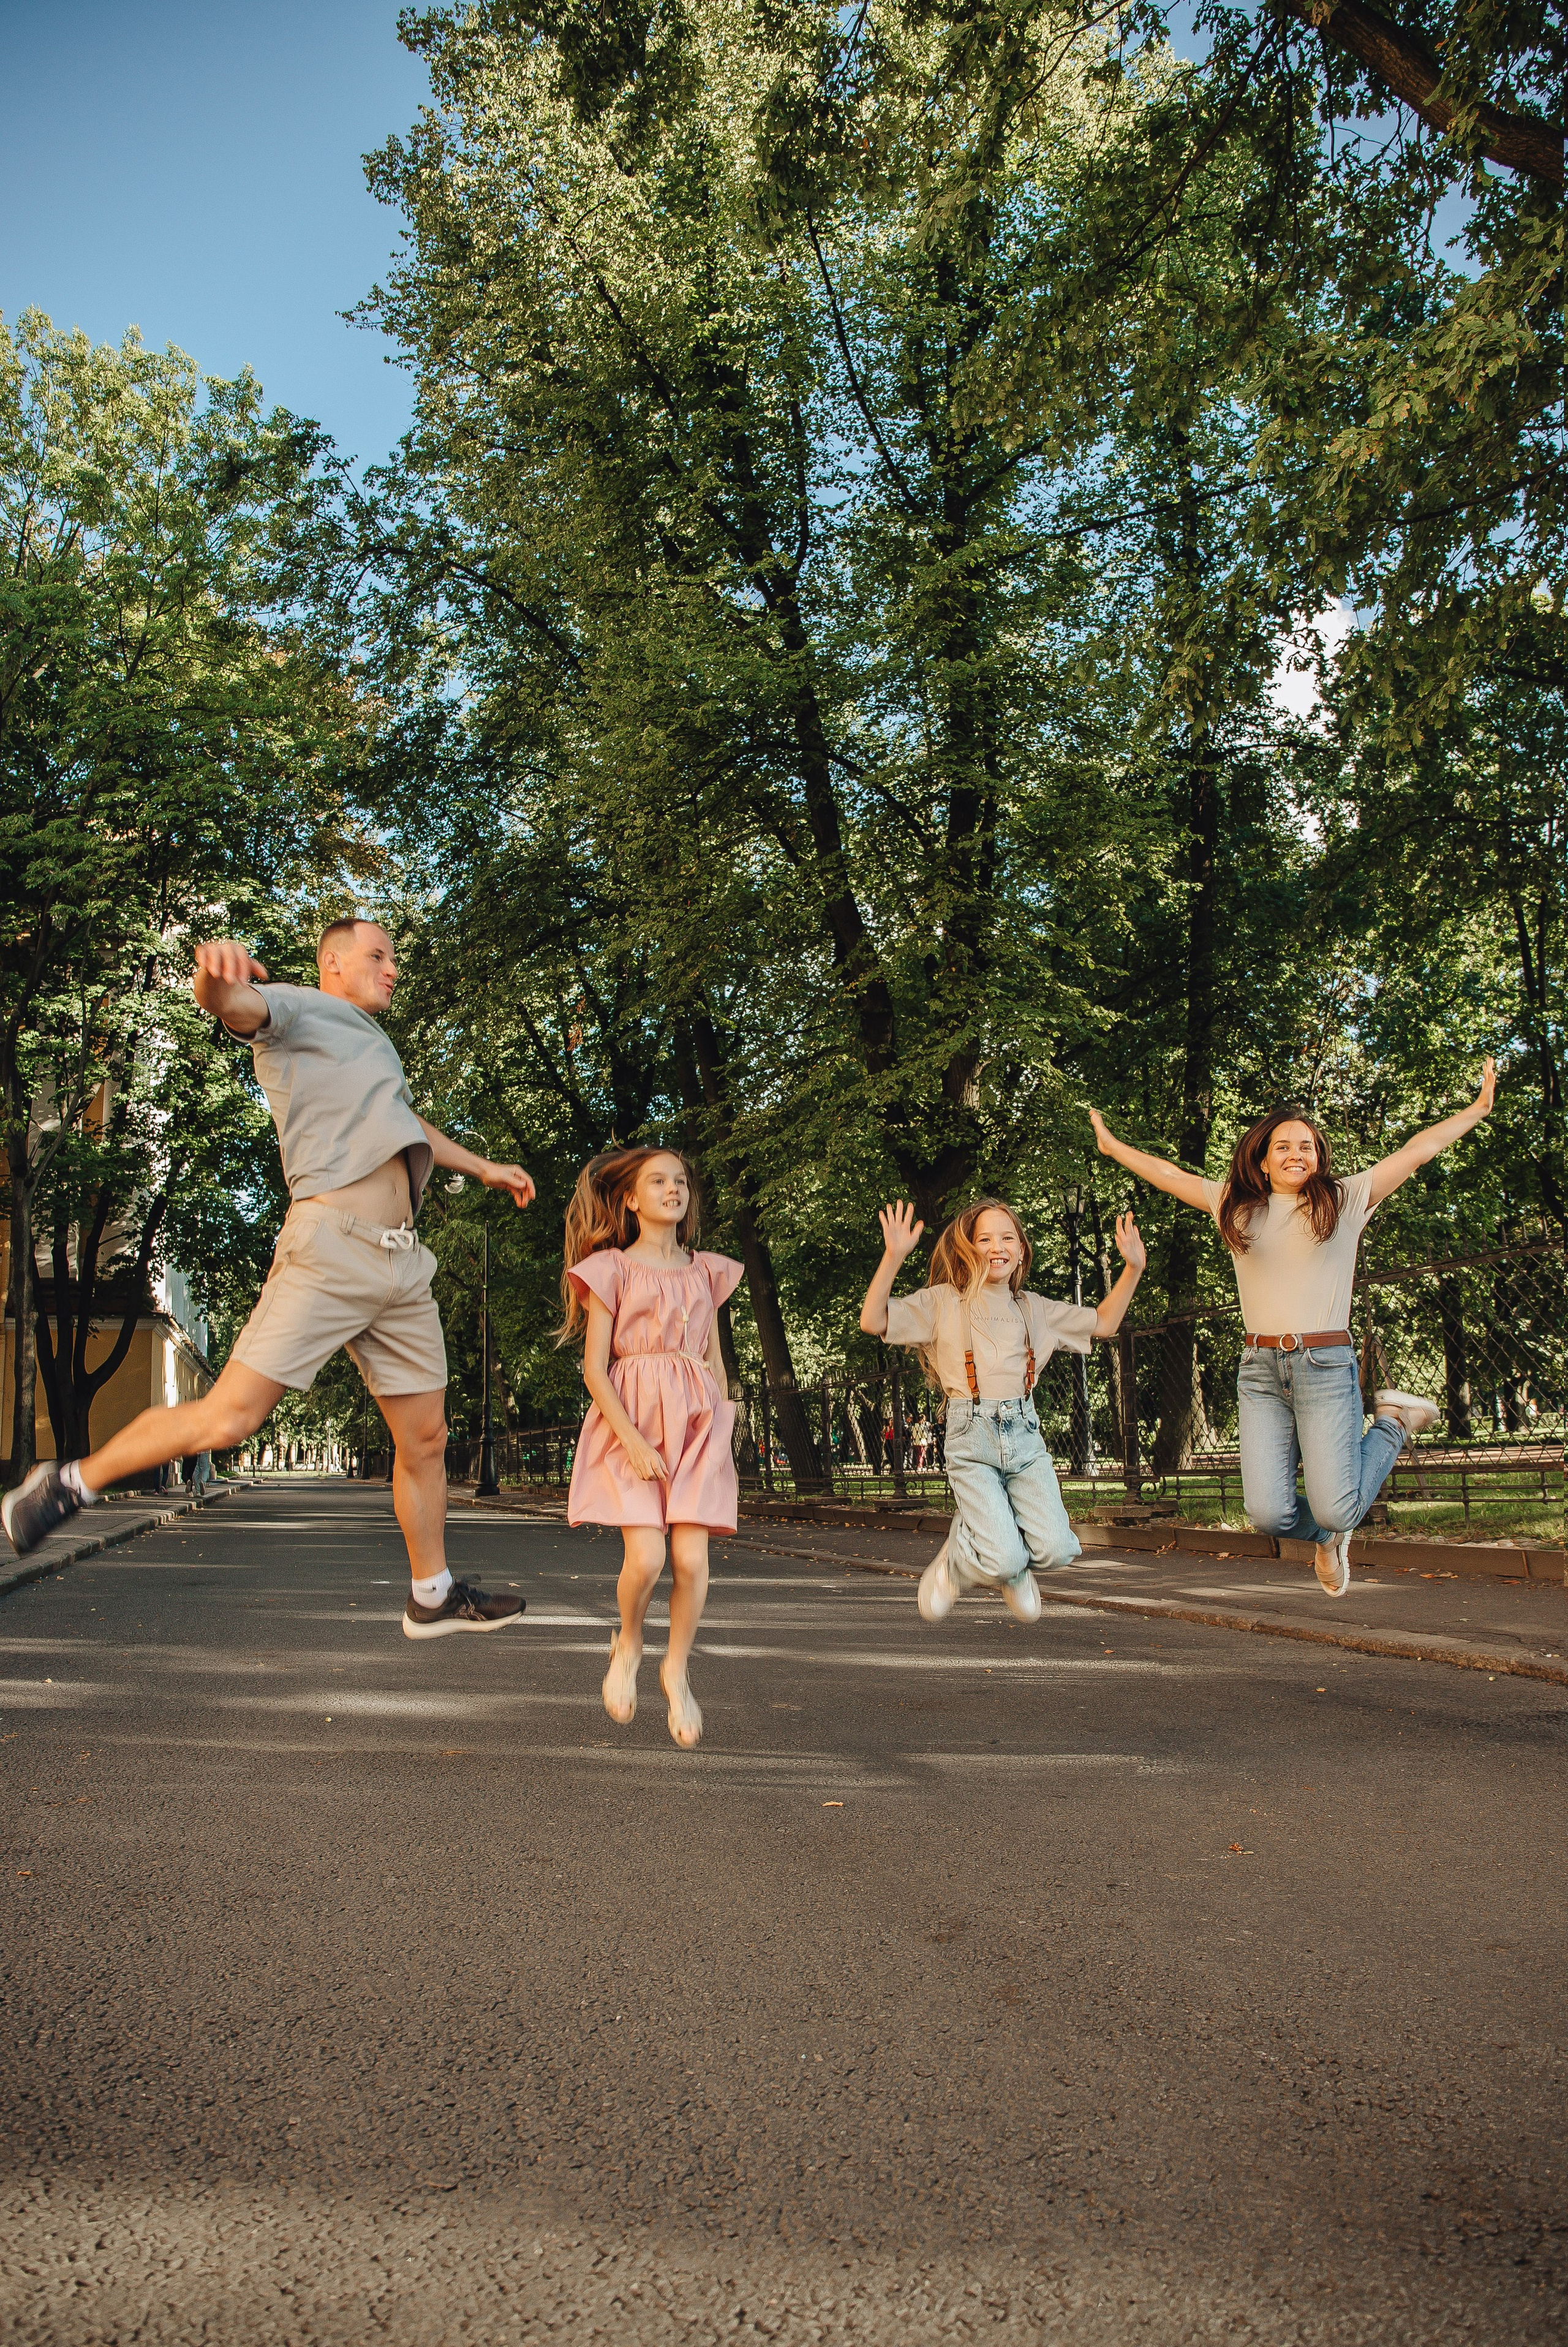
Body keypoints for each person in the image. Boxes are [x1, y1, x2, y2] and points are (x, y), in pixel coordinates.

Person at [2, 921, 535, 1641]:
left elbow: (405, 1125)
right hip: (331, 1249)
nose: (393, 970)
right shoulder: (301, 1007)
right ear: (333, 964)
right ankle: (68, 1483)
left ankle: (431, 1594)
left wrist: (483, 1167)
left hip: (402, 1264)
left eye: (395, 960)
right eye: (378, 957)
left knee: (426, 1437)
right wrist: (215, 976)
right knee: (231, 1418)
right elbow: (235, 1006)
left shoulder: (374, 1046)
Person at [1088, 1060, 1495, 1596]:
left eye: (1306, 1146)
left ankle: (1395, 1423)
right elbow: (1170, 1174)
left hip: (1325, 1366)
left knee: (1339, 1503)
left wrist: (1477, 1109)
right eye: (1283, 1146)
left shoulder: (1346, 1199)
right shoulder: (1233, 1205)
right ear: (1262, 1157)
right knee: (1269, 1514)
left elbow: (1417, 1149)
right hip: (1260, 1372)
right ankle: (1330, 1538)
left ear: (1319, 1157)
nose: (1295, 1154)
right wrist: (1114, 1147)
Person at [860, 1196, 1146, 1623]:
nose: (998, 1246)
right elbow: (873, 1319)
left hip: (1025, 1435)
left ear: (1022, 1249)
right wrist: (893, 1256)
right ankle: (966, 1563)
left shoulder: (1035, 1308)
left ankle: (1001, 1559)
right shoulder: (942, 1302)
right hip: (970, 1436)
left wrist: (1133, 1268)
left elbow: (1104, 1323)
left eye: (1008, 1237)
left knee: (1058, 1549)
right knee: (1005, 1559)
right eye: (985, 1238)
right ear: (968, 1248)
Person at [559, 1147, 744, 1748]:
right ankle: (631, 1641)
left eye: (681, 1180)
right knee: (647, 1561)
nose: (674, 1189)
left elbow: (713, 1357)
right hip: (631, 1423)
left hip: (696, 1425)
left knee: (692, 1561)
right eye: (658, 1181)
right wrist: (632, 1441)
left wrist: (723, 1423)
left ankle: (677, 1669)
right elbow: (594, 1369)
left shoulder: (705, 1271)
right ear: (631, 1199)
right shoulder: (611, 1269)